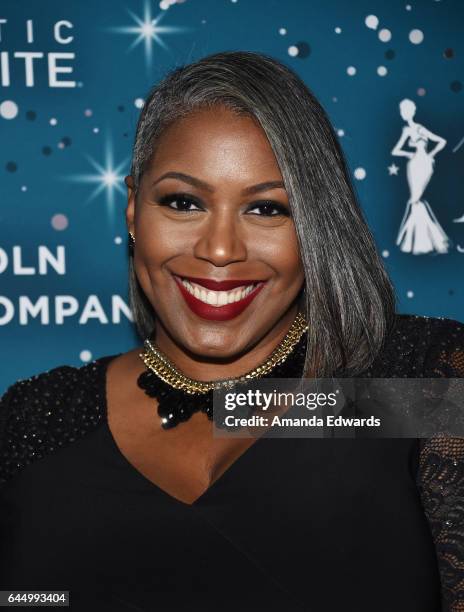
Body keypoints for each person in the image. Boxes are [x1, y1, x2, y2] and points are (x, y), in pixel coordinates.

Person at [0, 50, 463, 612]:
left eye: (267, 210)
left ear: (316, 225)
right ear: (131, 209)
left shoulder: (417, 380)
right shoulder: (36, 422)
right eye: (183, 202)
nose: (220, 249)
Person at [392, 98, 450, 255]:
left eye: (406, 111)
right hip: (413, 164)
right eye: (402, 111)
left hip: (424, 163)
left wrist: (430, 155)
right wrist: (409, 153)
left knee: (415, 199)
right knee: (414, 199)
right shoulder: (407, 131)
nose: (404, 114)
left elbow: (441, 141)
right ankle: (419, 238)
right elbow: (395, 151)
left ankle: (419, 237)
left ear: (412, 111)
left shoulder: (420, 129)